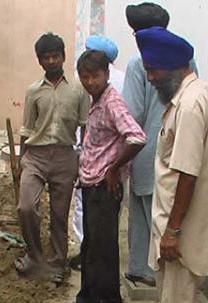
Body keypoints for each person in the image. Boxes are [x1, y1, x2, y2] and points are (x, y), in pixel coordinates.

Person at [133, 27, 208, 303]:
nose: (151, 78)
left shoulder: (189, 106)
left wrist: (173, 230)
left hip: (181, 222)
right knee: (169, 291)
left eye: (154, 71)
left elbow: (186, 172)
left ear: (173, 67)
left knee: (179, 296)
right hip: (174, 218)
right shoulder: (196, 94)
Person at [122, 3, 197, 287]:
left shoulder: (137, 64)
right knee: (165, 209)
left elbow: (132, 115)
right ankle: (151, 269)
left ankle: (143, 268)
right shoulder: (185, 59)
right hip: (177, 149)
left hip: (145, 149)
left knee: (144, 214)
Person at [75, 49, 146, 303]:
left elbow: (137, 138)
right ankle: (89, 300)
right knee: (90, 245)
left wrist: (115, 169)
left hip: (105, 187)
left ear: (107, 74)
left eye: (95, 75)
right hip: (91, 183)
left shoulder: (113, 102)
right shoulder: (96, 101)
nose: (90, 81)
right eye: (85, 76)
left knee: (103, 249)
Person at [16, 32, 90, 284]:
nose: (50, 61)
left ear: (63, 56)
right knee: (26, 207)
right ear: (39, 61)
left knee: (60, 214)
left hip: (64, 156)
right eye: (45, 57)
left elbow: (85, 127)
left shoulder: (79, 91)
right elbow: (26, 129)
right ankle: (34, 255)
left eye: (55, 56)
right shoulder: (33, 92)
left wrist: (84, 160)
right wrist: (20, 161)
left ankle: (58, 262)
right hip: (35, 157)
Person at [70, 35, 126, 271]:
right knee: (99, 225)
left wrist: (112, 167)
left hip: (101, 170)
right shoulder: (102, 88)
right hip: (99, 166)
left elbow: (133, 135)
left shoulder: (109, 94)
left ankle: (90, 260)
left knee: (93, 223)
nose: (89, 80)